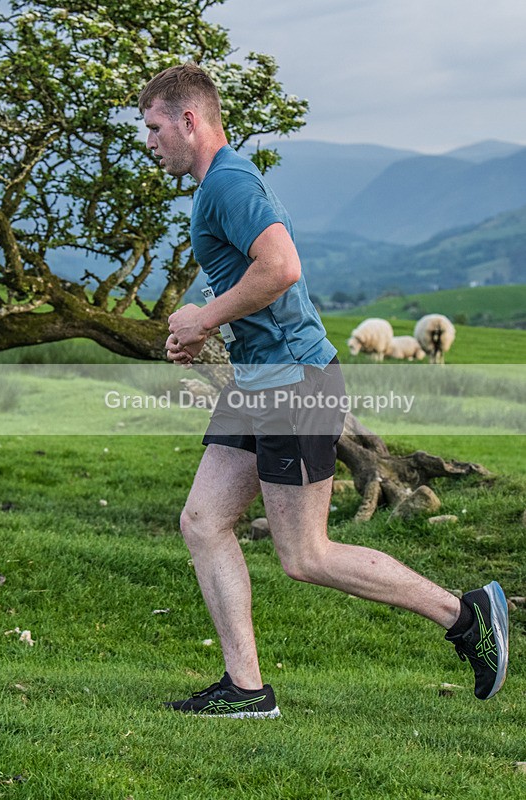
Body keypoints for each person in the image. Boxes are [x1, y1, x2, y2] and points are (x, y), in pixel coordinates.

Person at [138, 63, 508, 718]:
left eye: (154, 127)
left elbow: (281, 267)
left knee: (305, 555)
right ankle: (245, 690)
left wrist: (203, 318)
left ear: (189, 120)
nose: (149, 142)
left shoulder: (228, 182)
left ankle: (464, 615)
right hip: (260, 380)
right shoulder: (220, 185)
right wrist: (202, 324)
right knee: (202, 521)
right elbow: (257, 280)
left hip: (292, 383)